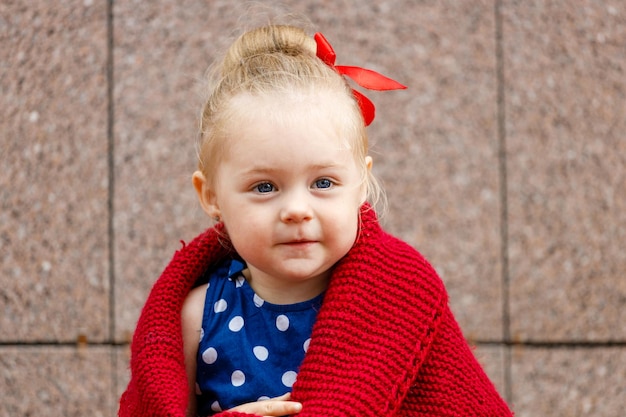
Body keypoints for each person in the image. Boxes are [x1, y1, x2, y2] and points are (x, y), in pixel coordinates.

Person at [119, 23, 513, 417]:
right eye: (264, 187)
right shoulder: (197, 318)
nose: (296, 210)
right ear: (211, 196)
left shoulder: (399, 295)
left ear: (361, 184)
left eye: (322, 182)